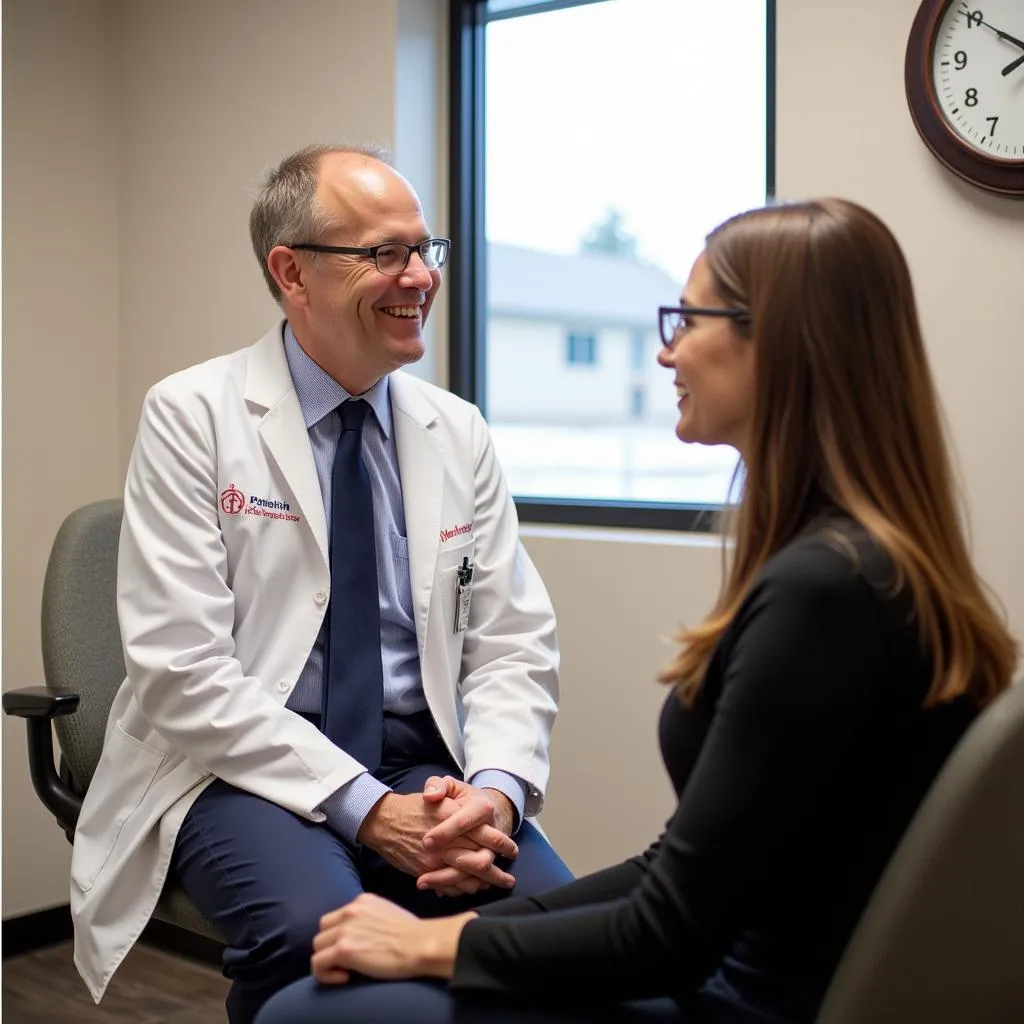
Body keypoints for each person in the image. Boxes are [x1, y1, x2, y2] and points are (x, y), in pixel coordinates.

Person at [253, 197, 1019, 1024]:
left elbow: (671, 931)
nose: (665, 350)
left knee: (304, 1011)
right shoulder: (869, 564)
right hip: (739, 963)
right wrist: (459, 934)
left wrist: (436, 944)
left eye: (688, 318)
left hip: (742, 997)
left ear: (784, 339)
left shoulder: (822, 594)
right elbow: (681, 872)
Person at [69, 143, 572, 1024]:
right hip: (241, 766)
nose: (419, 275)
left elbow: (512, 643)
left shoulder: (456, 430)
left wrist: (490, 792)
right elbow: (180, 669)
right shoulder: (192, 414)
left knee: (547, 931)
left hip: (425, 760)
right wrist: (371, 811)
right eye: (384, 253)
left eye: (426, 249)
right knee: (316, 938)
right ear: (291, 272)